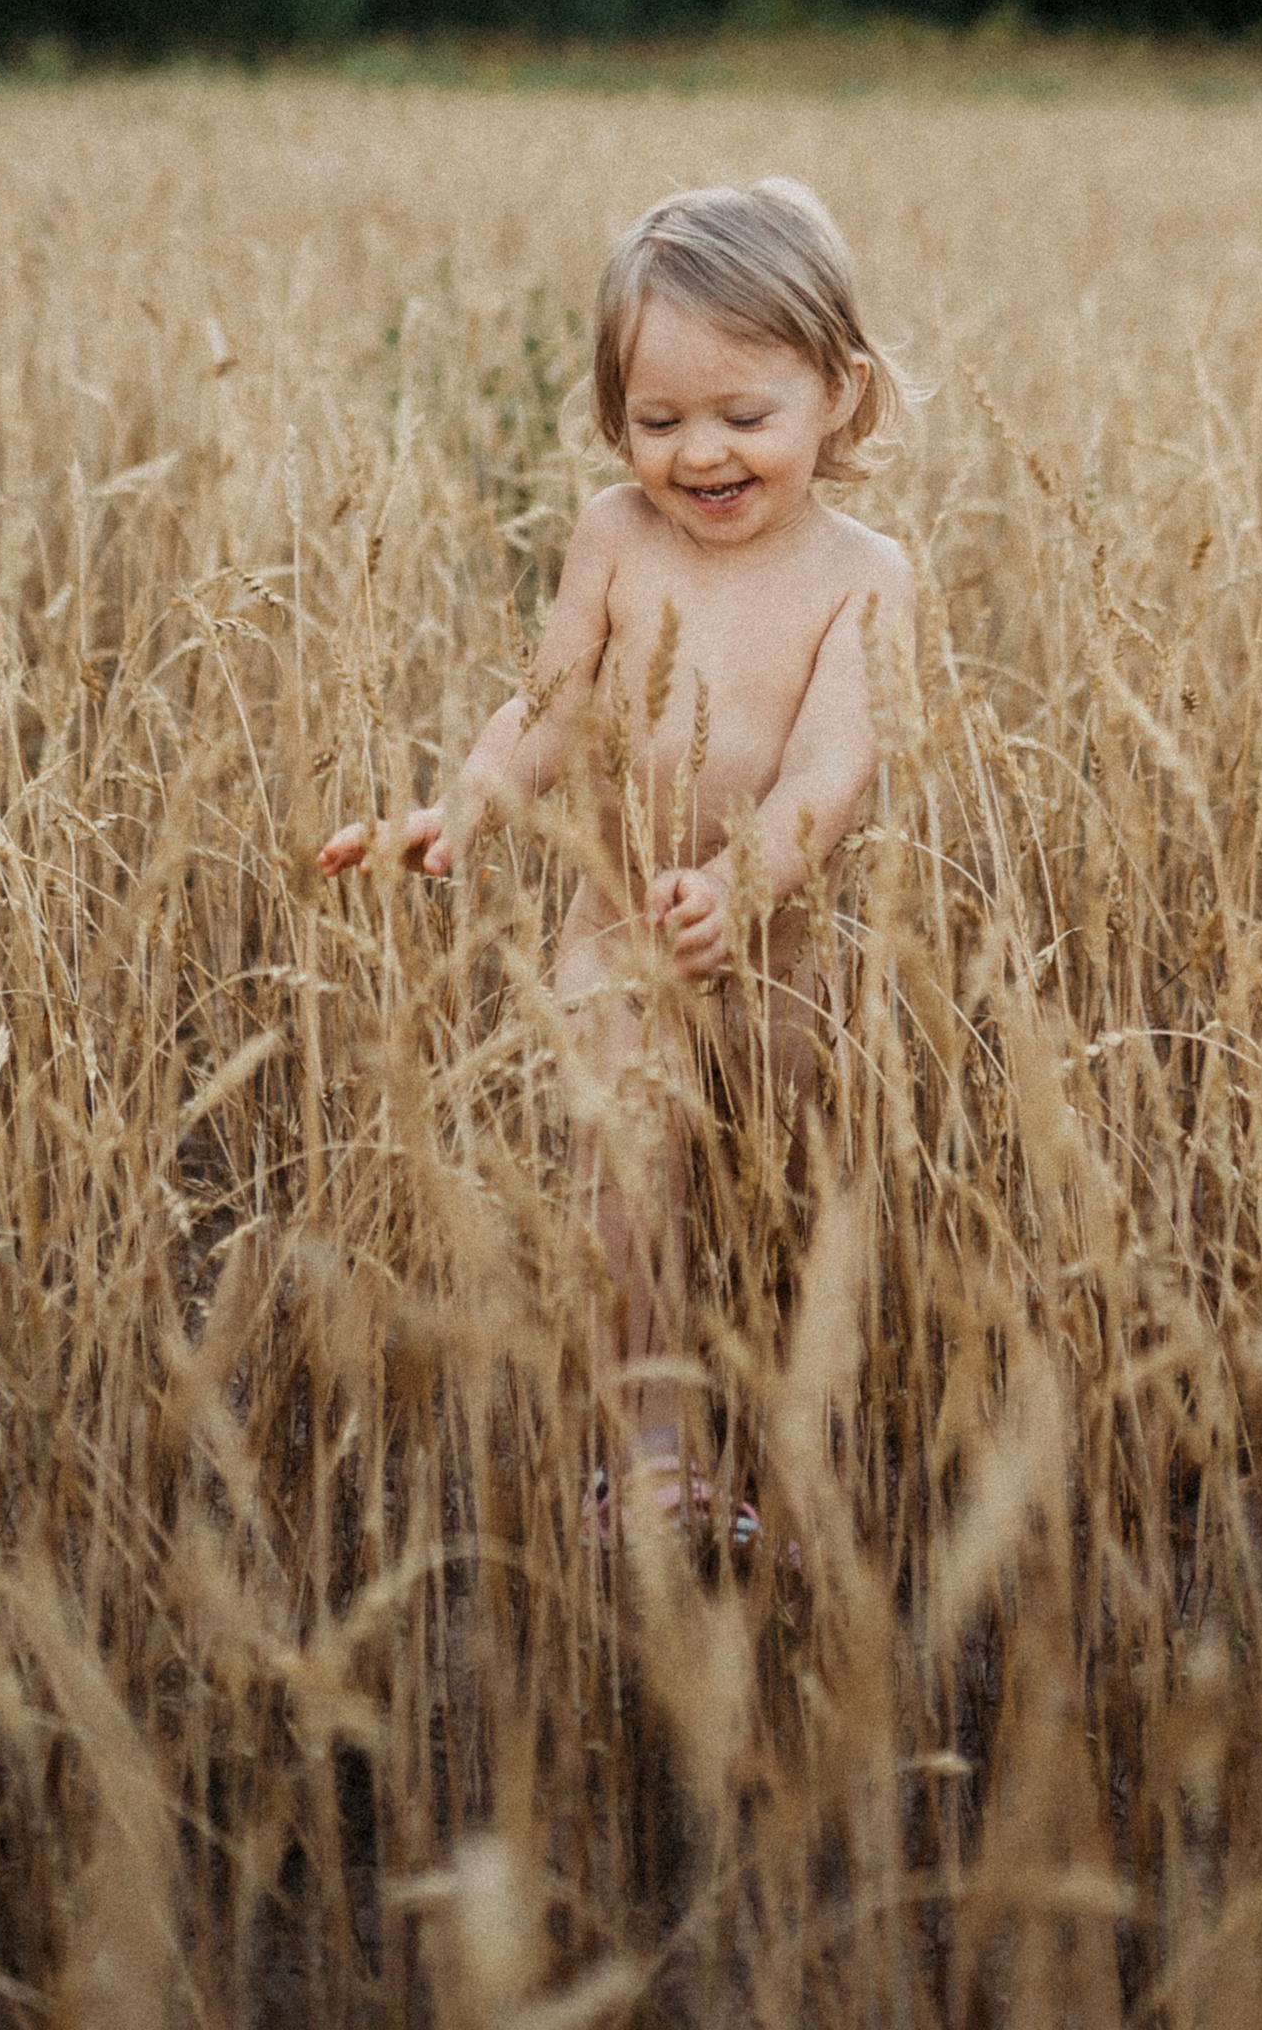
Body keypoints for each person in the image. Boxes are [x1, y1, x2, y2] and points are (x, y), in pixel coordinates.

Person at [321, 177, 915, 1542]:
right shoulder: (615, 535)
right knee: (624, 1180)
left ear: (844, 394)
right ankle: (648, 1449)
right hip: (615, 934)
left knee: (784, 1184)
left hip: (782, 950)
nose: (700, 454)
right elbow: (551, 705)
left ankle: (789, 1420)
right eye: (658, 421)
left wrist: (740, 888)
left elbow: (835, 768)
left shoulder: (862, 573)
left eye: (744, 417)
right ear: (615, 419)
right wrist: (464, 804)